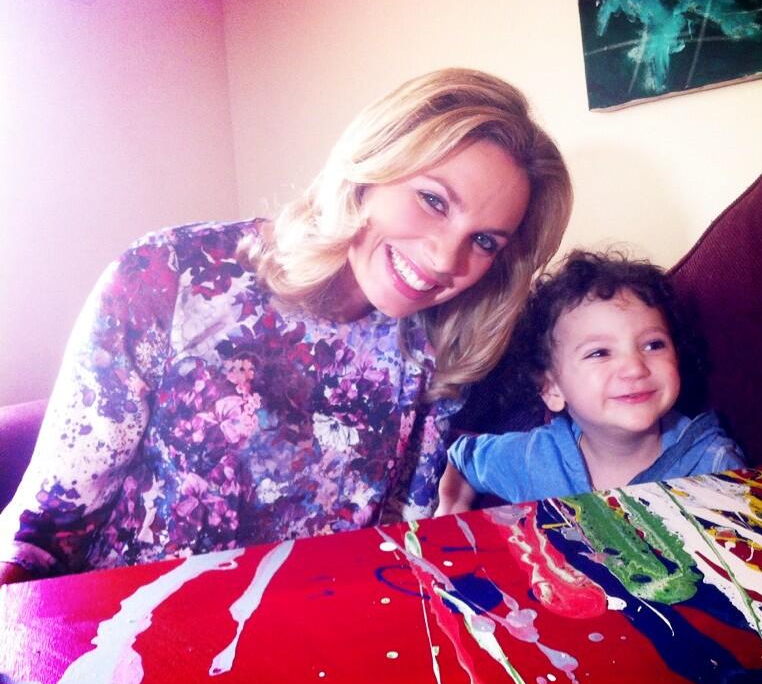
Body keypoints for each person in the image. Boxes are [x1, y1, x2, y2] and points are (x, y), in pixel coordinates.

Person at [0, 68, 572, 583]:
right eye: (433, 201)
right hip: (120, 634)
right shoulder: (170, 274)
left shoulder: (442, 340)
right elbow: (42, 529)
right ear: (372, 166)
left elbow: (402, 545)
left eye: (484, 241)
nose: (446, 259)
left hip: (321, 641)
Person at [435, 250, 744, 515]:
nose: (635, 368)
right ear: (551, 388)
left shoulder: (714, 466)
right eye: (599, 352)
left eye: (653, 345)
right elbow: (463, 458)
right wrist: (452, 506)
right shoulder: (535, 458)